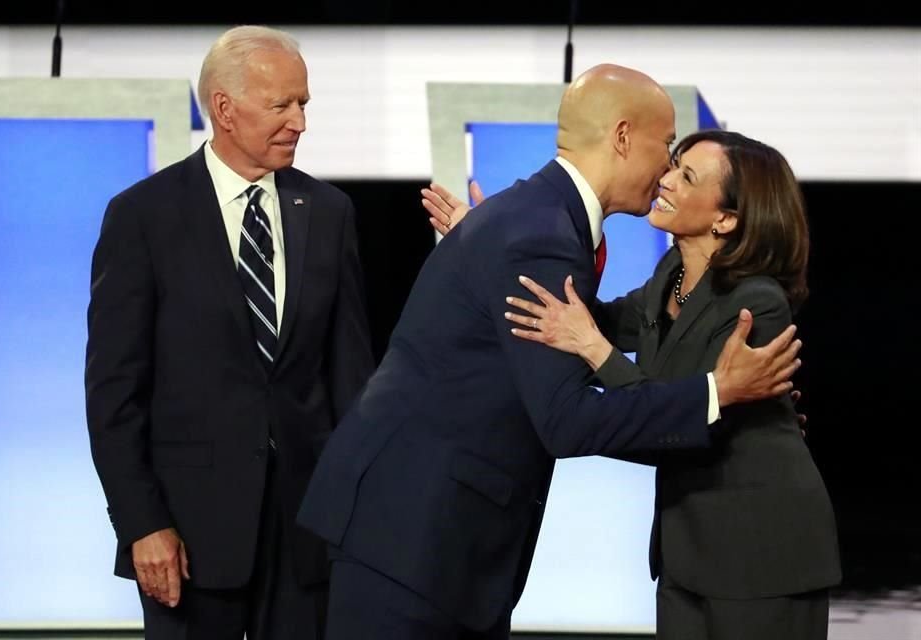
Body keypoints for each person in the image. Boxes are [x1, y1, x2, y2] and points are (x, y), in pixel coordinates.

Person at [296, 64, 802, 640]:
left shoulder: (529, 218)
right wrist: (718, 394)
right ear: (621, 137)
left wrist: (485, 258)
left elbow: (588, 327)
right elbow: (567, 420)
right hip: (415, 538)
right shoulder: (539, 234)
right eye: (666, 148)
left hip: (422, 533)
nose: (665, 168)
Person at [431, 130, 841, 639]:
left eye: (686, 176)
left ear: (727, 218)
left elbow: (682, 410)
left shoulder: (756, 305)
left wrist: (594, 350)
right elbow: (585, 319)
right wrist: (493, 247)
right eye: (671, 165)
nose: (664, 180)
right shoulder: (671, 276)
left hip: (762, 548)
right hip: (686, 550)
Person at [84, 25, 374, 640]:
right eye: (281, 105)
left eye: (304, 104)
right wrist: (141, 523)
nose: (299, 121)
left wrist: (358, 512)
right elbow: (114, 395)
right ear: (223, 108)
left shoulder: (329, 213)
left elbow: (351, 379)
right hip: (186, 537)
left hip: (305, 534)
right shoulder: (143, 217)